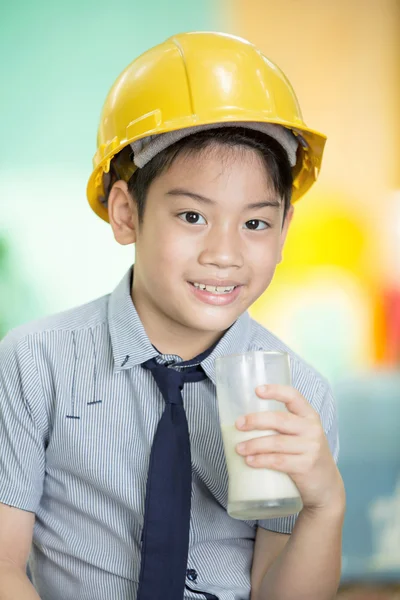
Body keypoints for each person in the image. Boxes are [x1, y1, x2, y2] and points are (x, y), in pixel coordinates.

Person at [0, 31, 345, 600]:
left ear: (284, 232)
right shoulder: (36, 364)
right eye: (192, 216)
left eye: (255, 223)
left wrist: (323, 506)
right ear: (126, 213)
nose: (225, 253)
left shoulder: (296, 395)